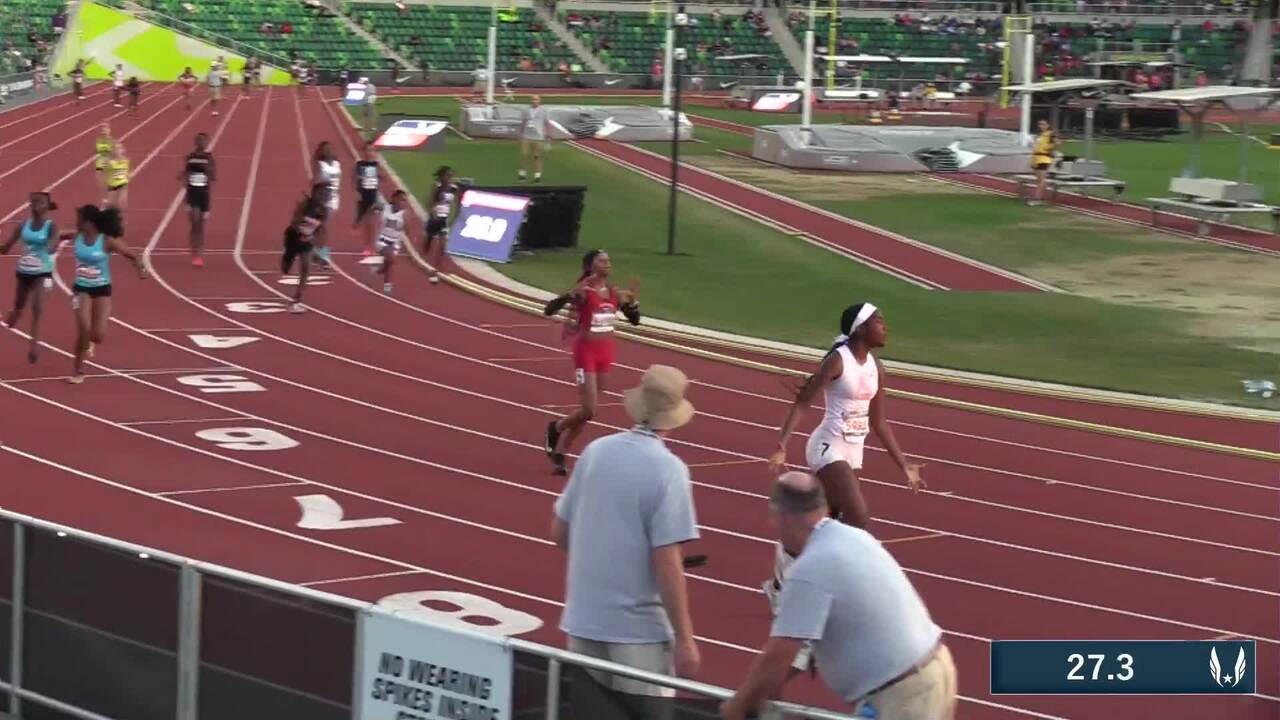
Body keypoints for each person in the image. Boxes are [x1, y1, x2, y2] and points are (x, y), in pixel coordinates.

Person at [764, 302, 924, 671]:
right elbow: (804, 401)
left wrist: (905, 466)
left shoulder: (877, 367)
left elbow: (880, 422)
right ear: (859, 329)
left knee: (828, 526)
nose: (885, 326)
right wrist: (782, 442)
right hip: (826, 447)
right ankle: (824, 585)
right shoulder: (839, 360)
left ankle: (783, 576)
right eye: (878, 321)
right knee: (858, 516)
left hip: (854, 452)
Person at [720, 472, 956, 720]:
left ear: (782, 516)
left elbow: (780, 654)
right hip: (932, 670)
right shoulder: (854, 537)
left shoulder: (811, 566)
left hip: (904, 693)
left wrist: (739, 705)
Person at [551, 364, 701, 720]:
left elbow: (559, 533)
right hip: (638, 632)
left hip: (584, 619)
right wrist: (685, 639)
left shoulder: (595, 451)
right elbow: (667, 564)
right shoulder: (668, 470)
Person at [542, 249, 640, 476]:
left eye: (609, 260)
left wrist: (633, 305)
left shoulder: (614, 292)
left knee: (587, 412)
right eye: (601, 260)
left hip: (606, 354)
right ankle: (556, 428)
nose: (607, 264)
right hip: (585, 352)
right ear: (590, 266)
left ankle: (561, 454)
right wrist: (569, 296)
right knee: (590, 409)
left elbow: (635, 321)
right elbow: (549, 310)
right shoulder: (585, 292)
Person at [63, 205, 147, 384]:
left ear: (89, 222)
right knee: (83, 328)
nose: (76, 222)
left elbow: (132, 255)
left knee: (98, 335)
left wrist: (140, 268)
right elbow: (57, 234)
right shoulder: (77, 236)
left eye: (79, 219)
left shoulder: (106, 241)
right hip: (81, 288)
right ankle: (78, 370)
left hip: (102, 289)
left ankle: (89, 343)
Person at [1, 192, 60, 363]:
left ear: (47, 206)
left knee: (37, 308)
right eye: (33, 201)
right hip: (23, 272)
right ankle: (16, 313)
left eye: (40, 202)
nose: (35, 204)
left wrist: (50, 247)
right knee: (19, 305)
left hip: (42, 272)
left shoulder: (51, 226)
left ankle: (34, 344)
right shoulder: (22, 226)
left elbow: (53, 243)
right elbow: (6, 248)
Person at [280, 182, 330, 314]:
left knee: (305, 268)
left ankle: (297, 300)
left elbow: (322, 232)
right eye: (321, 192)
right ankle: (287, 257)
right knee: (285, 268)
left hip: (306, 242)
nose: (324, 195)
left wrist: (324, 254)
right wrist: (302, 230)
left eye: (326, 193)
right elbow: (294, 222)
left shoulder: (324, 211)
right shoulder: (305, 205)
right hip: (293, 237)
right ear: (315, 193)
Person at [181, 132, 215, 267]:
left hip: (204, 194)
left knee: (200, 225)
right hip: (192, 194)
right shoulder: (190, 157)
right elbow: (186, 174)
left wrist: (208, 168)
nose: (202, 143)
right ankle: (194, 252)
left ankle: (199, 253)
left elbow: (213, 176)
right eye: (200, 141)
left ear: (207, 143)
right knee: (194, 222)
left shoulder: (209, 157)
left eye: (204, 141)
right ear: (196, 142)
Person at [422, 165, 457, 284]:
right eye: (448, 175)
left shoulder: (453, 188)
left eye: (451, 175)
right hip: (435, 218)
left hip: (444, 219)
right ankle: (423, 259)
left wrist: (454, 216)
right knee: (429, 241)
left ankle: (438, 268)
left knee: (443, 244)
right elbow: (430, 201)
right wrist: (432, 212)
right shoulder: (437, 186)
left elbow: (455, 203)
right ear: (442, 176)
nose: (450, 177)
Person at [372, 190, 408, 295]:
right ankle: (388, 286)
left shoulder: (405, 214)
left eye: (405, 201)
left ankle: (380, 271)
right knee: (391, 259)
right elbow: (372, 208)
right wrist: (372, 211)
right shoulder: (384, 207)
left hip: (395, 243)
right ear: (394, 199)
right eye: (401, 200)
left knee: (389, 262)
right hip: (382, 240)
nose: (403, 203)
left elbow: (408, 230)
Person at [352, 142, 384, 255]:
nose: (369, 153)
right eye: (367, 150)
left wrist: (380, 176)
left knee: (372, 223)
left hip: (373, 196)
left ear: (375, 153)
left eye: (372, 150)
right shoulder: (359, 164)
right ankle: (366, 246)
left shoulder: (376, 165)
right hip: (363, 195)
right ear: (363, 152)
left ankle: (371, 247)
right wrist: (356, 192)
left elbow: (382, 179)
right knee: (364, 222)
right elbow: (354, 179)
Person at [312, 141, 341, 265]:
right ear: (322, 152)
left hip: (333, 199)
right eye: (326, 149)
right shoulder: (320, 165)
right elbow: (315, 181)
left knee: (321, 227)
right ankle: (320, 254)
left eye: (330, 148)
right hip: (322, 198)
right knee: (321, 227)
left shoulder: (337, 164)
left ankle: (319, 253)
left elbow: (339, 180)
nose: (329, 151)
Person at [518, 94, 549, 182]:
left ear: (539, 101)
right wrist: (520, 134)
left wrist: (547, 134)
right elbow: (523, 122)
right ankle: (522, 174)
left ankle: (537, 176)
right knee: (524, 155)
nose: (534, 101)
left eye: (536, 99)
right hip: (526, 136)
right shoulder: (526, 110)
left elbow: (546, 122)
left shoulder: (543, 110)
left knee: (537, 157)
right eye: (533, 99)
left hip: (538, 137)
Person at [1029, 118, 1058, 207]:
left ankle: (1037, 199)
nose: (1041, 126)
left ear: (1048, 125)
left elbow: (1058, 142)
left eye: (1043, 124)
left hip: (1044, 158)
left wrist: (1050, 148)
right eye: (1040, 124)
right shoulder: (1040, 135)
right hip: (1036, 158)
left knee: (1042, 179)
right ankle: (1041, 198)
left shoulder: (1051, 133)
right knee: (1039, 180)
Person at [104, 143, 130, 211]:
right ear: (114, 151)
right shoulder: (110, 162)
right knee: (111, 204)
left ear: (123, 150)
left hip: (122, 184)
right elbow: (106, 172)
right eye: (116, 148)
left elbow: (127, 172)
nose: (118, 150)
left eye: (120, 148)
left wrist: (127, 180)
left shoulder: (126, 161)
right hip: (113, 184)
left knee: (121, 202)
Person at [94, 123, 115, 203]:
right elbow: (97, 151)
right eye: (103, 130)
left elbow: (114, 153)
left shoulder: (112, 141)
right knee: (101, 182)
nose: (104, 131)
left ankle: (110, 198)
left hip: (108, 163)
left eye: (106, 129)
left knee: (108, 182)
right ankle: (105, 197)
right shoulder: (99, 140)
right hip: (100, 163)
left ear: (109, 131)